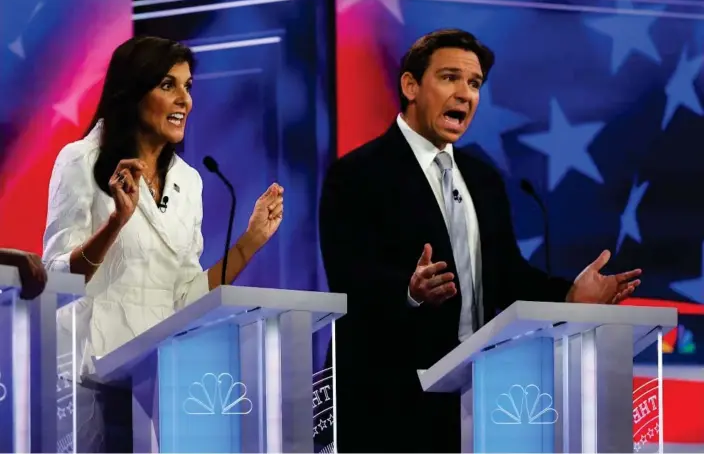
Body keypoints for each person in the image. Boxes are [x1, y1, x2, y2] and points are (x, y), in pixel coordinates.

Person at [318, 28, 642, 453]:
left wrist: (569, 294)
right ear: (411, 85)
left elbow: (506, 274)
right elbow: (347, 276)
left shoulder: (484, 179)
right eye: (450, 77)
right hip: (385, 395)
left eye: (474, 84)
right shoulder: (357, 174)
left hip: (474, 397)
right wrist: (408, 291)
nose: (465, 94)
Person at [42, 35, 284, 452]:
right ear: (133, 91)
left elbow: (186, 295)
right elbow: (55, 280)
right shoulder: (80, 161)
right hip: (89, 381)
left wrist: (249, 243)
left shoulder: (189, 182)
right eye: (168, 85)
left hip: (161, 385)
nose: (184, 100)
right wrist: (117, 221)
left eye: (188, 86)